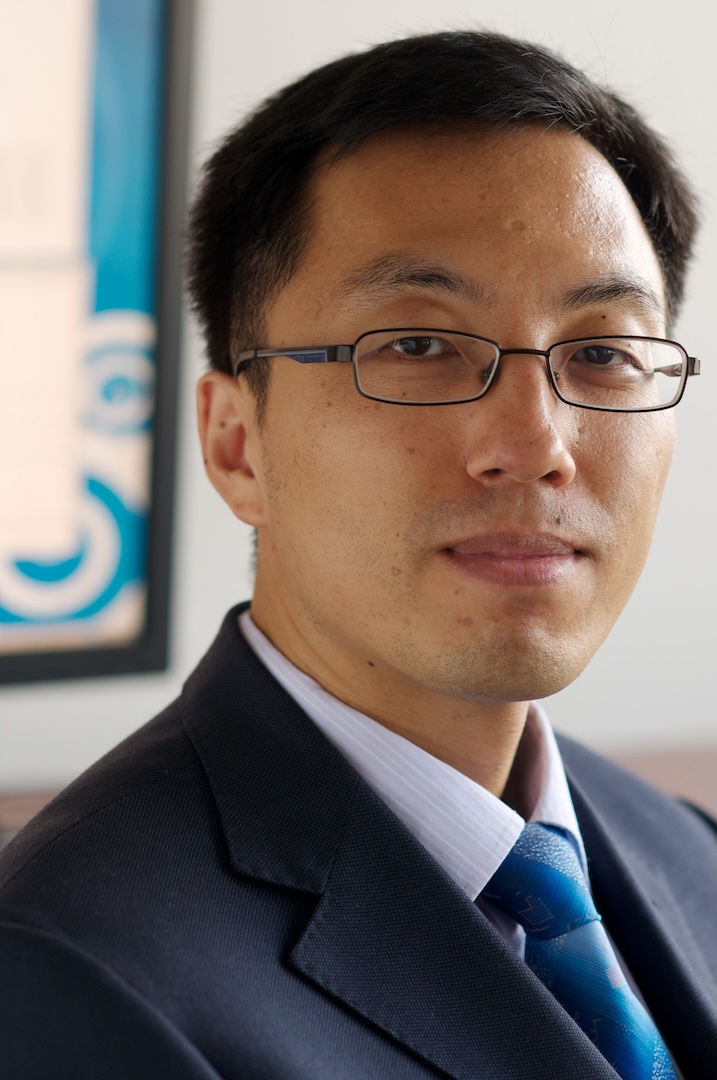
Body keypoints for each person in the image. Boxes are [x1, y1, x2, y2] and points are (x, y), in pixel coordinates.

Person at [0, 30, 714, 1080]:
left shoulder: (685, 849)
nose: (537, 446)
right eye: (418, 346)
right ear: (237, 444)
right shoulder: (68, 974)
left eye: (602, 351)